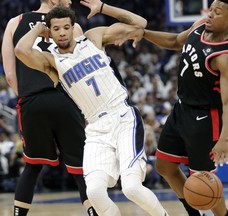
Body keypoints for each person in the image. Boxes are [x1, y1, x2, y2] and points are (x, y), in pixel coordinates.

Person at [14, 1, 169, 216]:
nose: (62, 33)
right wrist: (39, 29)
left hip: (123, 116)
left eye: (66, 27)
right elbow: (21, 50)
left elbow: (139, 23)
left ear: (73, 27)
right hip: (96, 127)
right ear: (50, 31)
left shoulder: (93, 38)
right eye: (56, 29)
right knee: (94, 192)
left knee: (131, 187)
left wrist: (104, 7)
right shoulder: (53, 62)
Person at [119, 0, 228, 215]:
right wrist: (144, 33)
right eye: (210, 9)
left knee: (206, 182)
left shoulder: (226, 57)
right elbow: (175, 40)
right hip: (181, 110)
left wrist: (224, 139)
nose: (210, 14)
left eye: (217, 12)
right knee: (164, 167)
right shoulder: (199, 27)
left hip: (204, 120)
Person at [1, 0, 98, 215]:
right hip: (66, 100)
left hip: (32, 101)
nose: (71, 1)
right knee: (80, 168)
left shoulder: (14, 23)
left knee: (32, 166)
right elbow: (83, 69)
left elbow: (9, 75)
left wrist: (28, 95)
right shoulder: (72, 26)